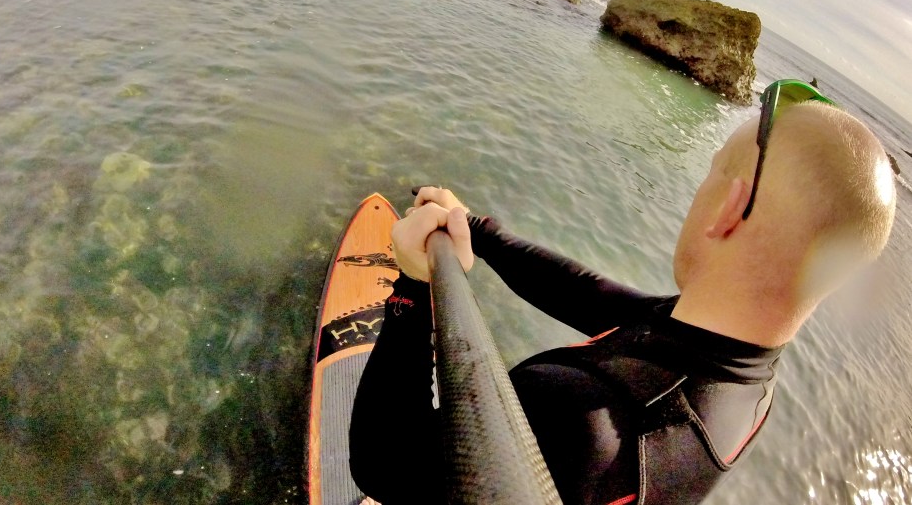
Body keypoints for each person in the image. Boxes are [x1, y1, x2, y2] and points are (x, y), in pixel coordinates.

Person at [349, 80, 897, 505]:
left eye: (710, 173)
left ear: (730, 208)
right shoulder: (743, 380)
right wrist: (475, 227)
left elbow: (380, 464)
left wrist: (414, 287)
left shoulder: (580, 413)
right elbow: (589, 295)